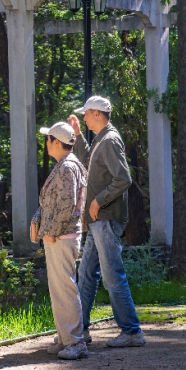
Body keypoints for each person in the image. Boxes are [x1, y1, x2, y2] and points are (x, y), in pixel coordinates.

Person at [68, 95, 146, 348]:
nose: (84, 118)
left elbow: (123, 178)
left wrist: (98, 200)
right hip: (97, 221)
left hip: (106, 219)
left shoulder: (110, 140)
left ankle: (132, 332)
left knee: (112, 276)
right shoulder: (102, 138)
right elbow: (91, 161)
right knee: (87, 274)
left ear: (98, 114)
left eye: (87, 115)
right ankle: (79, 330)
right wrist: (78, 135)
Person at [30, 121, 89, 360]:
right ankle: (66, 338)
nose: (45, 143)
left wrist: (51, 231)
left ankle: (75, 341)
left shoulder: (67, 167)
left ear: (56, 142)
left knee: (65, 289)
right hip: (61, 236)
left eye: (48, 139)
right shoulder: (67, 165)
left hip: (61, 237)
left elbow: (67, 206)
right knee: (60, 289)